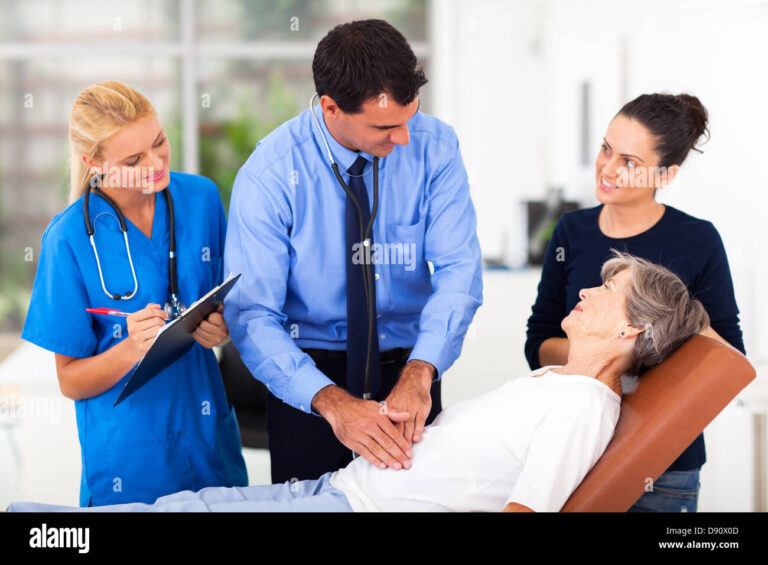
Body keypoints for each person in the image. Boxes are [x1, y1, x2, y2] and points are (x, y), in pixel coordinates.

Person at [8, 252, 710, 513]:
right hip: (347, 488)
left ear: (632, 334)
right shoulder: (558, 380)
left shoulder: (583, 407)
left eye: (607, 294)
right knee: (186, 504)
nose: (586, 290)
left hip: (355, 506)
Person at [223, 19, 483, 483]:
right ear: (330, 108)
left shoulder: (435, 147)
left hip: (411, 370)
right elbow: (253, 314)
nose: (403, 138)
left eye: (410, 118)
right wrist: (332, 402)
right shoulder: (271, 173)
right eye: (384, 126)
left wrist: (421, 371)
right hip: (310, 381)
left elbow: (458, 268)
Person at [21, 80, 248, 506]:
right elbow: (69, 379)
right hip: (129, 456)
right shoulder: (68, 238)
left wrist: (223, 330)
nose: (156, 163)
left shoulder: (200, 198)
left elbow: (226, 304)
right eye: (134, 158)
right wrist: (131, 349)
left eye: (159, 142)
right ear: (94, 162)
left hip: (206, 433)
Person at [525, 93, 745, 512]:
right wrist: (610, 356)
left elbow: (727, 357)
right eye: (606, 148)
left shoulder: (698, 240)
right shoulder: (571, 232)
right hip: (575, 451)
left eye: (629, 162)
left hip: (665, 466)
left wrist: (620, 362)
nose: (607, 169)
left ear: (665, 174)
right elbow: (538, 343)